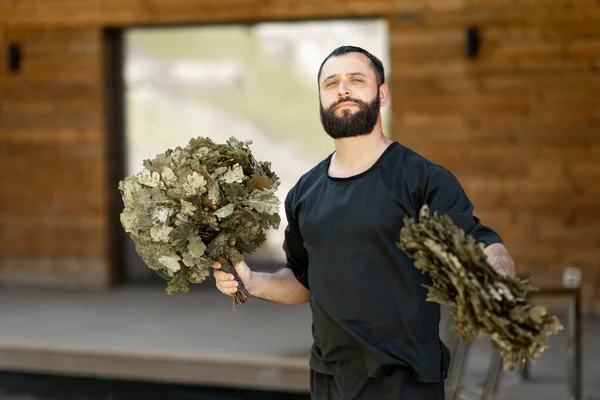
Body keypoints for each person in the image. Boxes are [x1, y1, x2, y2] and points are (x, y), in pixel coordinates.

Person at [212, 45, 516, 400]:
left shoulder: (422, 180)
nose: (343, 89)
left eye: (356, 80)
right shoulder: (305, 192)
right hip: (329, 378)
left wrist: (497, 281)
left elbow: (481, 245)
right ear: (321, 100)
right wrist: (252, 281)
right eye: (331, 83)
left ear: (382, 93)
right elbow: (302, 279)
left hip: (405, 379)